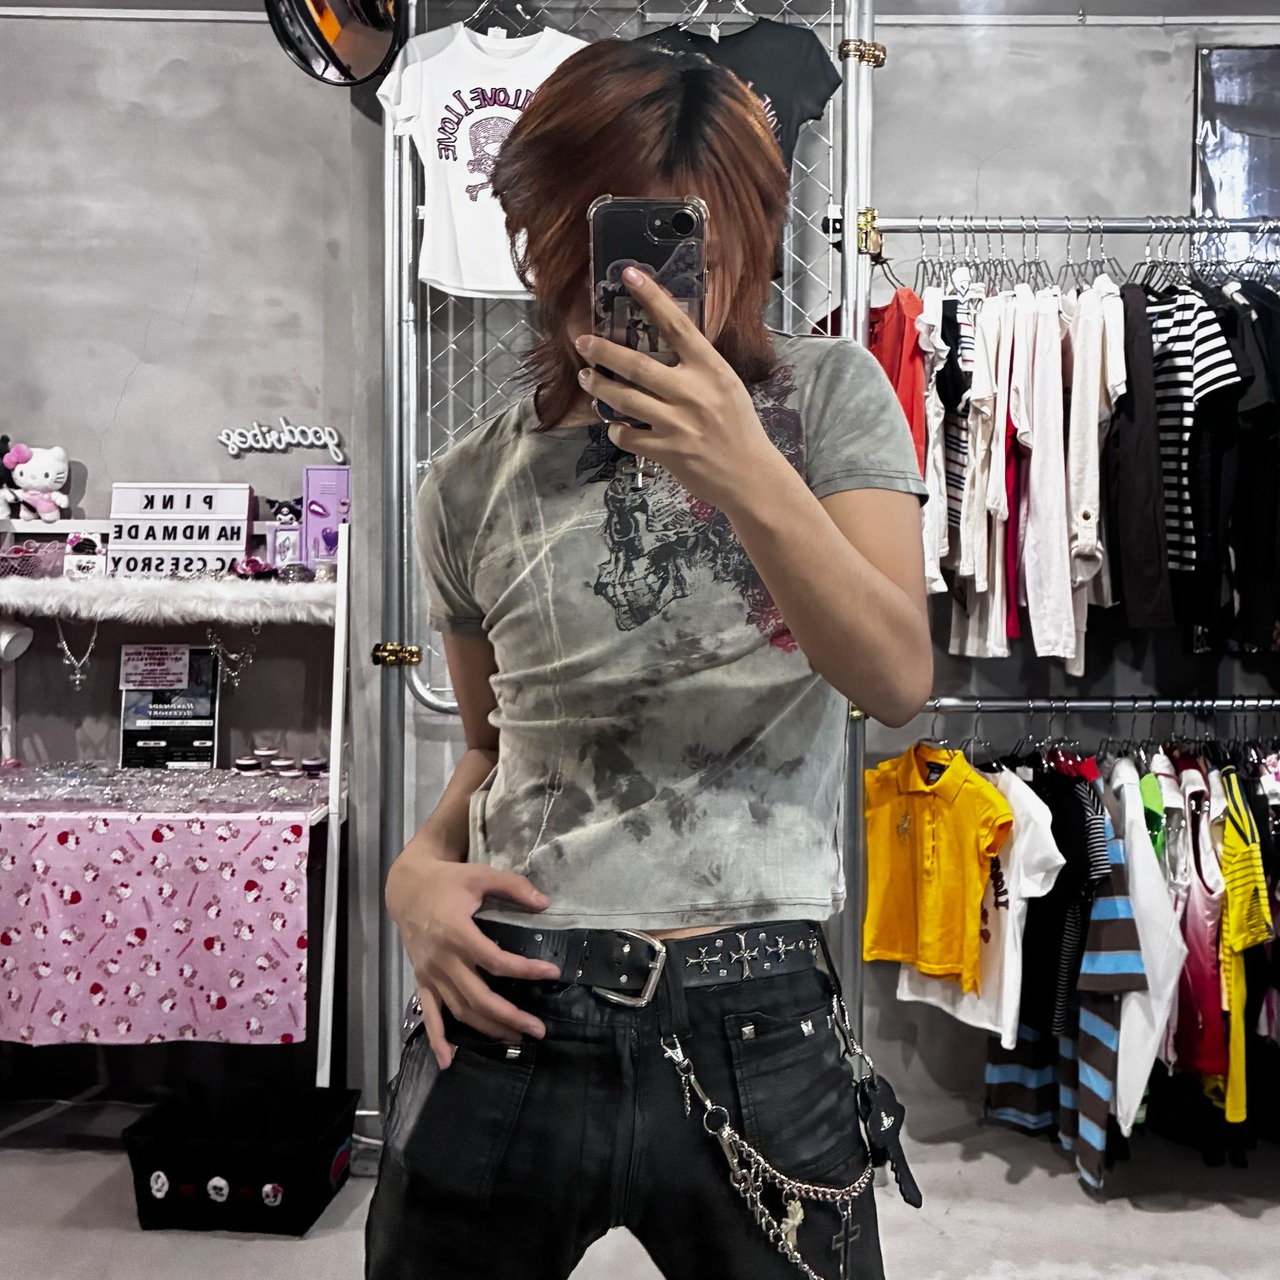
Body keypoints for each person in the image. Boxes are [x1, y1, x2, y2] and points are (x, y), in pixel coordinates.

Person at [366, 38, 931, 1280]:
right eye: (593, 245)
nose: (629, 286)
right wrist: (413, 871)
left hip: (758, 1010)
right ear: (536, 239)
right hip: (513, 990)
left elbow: (894, 678)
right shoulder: (465, 480)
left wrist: (742, 467)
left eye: (680, 247)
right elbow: (491, 747)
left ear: (750, 238)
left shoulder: (829, 400)